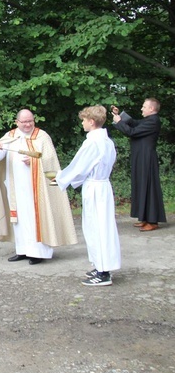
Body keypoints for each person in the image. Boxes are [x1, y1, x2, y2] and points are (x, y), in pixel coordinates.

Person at [0, 109, 77, 264]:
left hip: (37, 189)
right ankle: (22, 250)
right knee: (19, 219)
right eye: (24, 122)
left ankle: (38, 252)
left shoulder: (42, 137)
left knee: (35, 217)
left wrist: (34, 162)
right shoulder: (11, 136)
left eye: (30, 121)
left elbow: (50, 160)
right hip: (16, 188)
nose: (28, 124)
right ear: (17, 122)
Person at [55, 105, 121, 286]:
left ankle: (103, 272)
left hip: (95, 188)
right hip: (102, 186)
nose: (82, 123)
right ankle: (100, 265)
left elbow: (79, 166)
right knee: (99, 226)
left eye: (84, 120)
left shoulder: (92, 142)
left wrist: (61, 178)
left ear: (91, 122)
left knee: (97, 227)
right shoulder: (106, 141)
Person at [111, 99, 166, 232]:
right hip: (141, 157)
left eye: (144, 106)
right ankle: (145, 218)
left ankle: (152, 221)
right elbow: (134, 123)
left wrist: (119, 122)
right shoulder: (148, 120)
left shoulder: (154, 121)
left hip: (146, 158)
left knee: (149, 186)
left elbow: (132, 132)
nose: (142, 109)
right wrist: (120, 115)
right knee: (142, 185)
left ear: (152, 109)